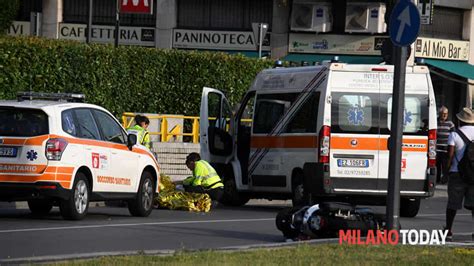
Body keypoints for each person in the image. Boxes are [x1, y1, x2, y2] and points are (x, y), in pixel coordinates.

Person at [444, 107, 474, 241]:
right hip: (473, 176)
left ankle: (449, 230)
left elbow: (450, 155)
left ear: (460, 120)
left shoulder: (454, 134)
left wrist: (445, 173)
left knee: (452, 205)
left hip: (457, 174)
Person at [436, 106, 455, 184]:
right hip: (437, 148)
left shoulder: (450, 124)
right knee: (437, 165)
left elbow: (453, 135)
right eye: (443, 114)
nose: (444, 115)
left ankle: (444, 179)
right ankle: (437, 179)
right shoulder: (435, 122)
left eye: (446, 114)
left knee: (445, 166)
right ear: (439, 114)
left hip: (446, 148)